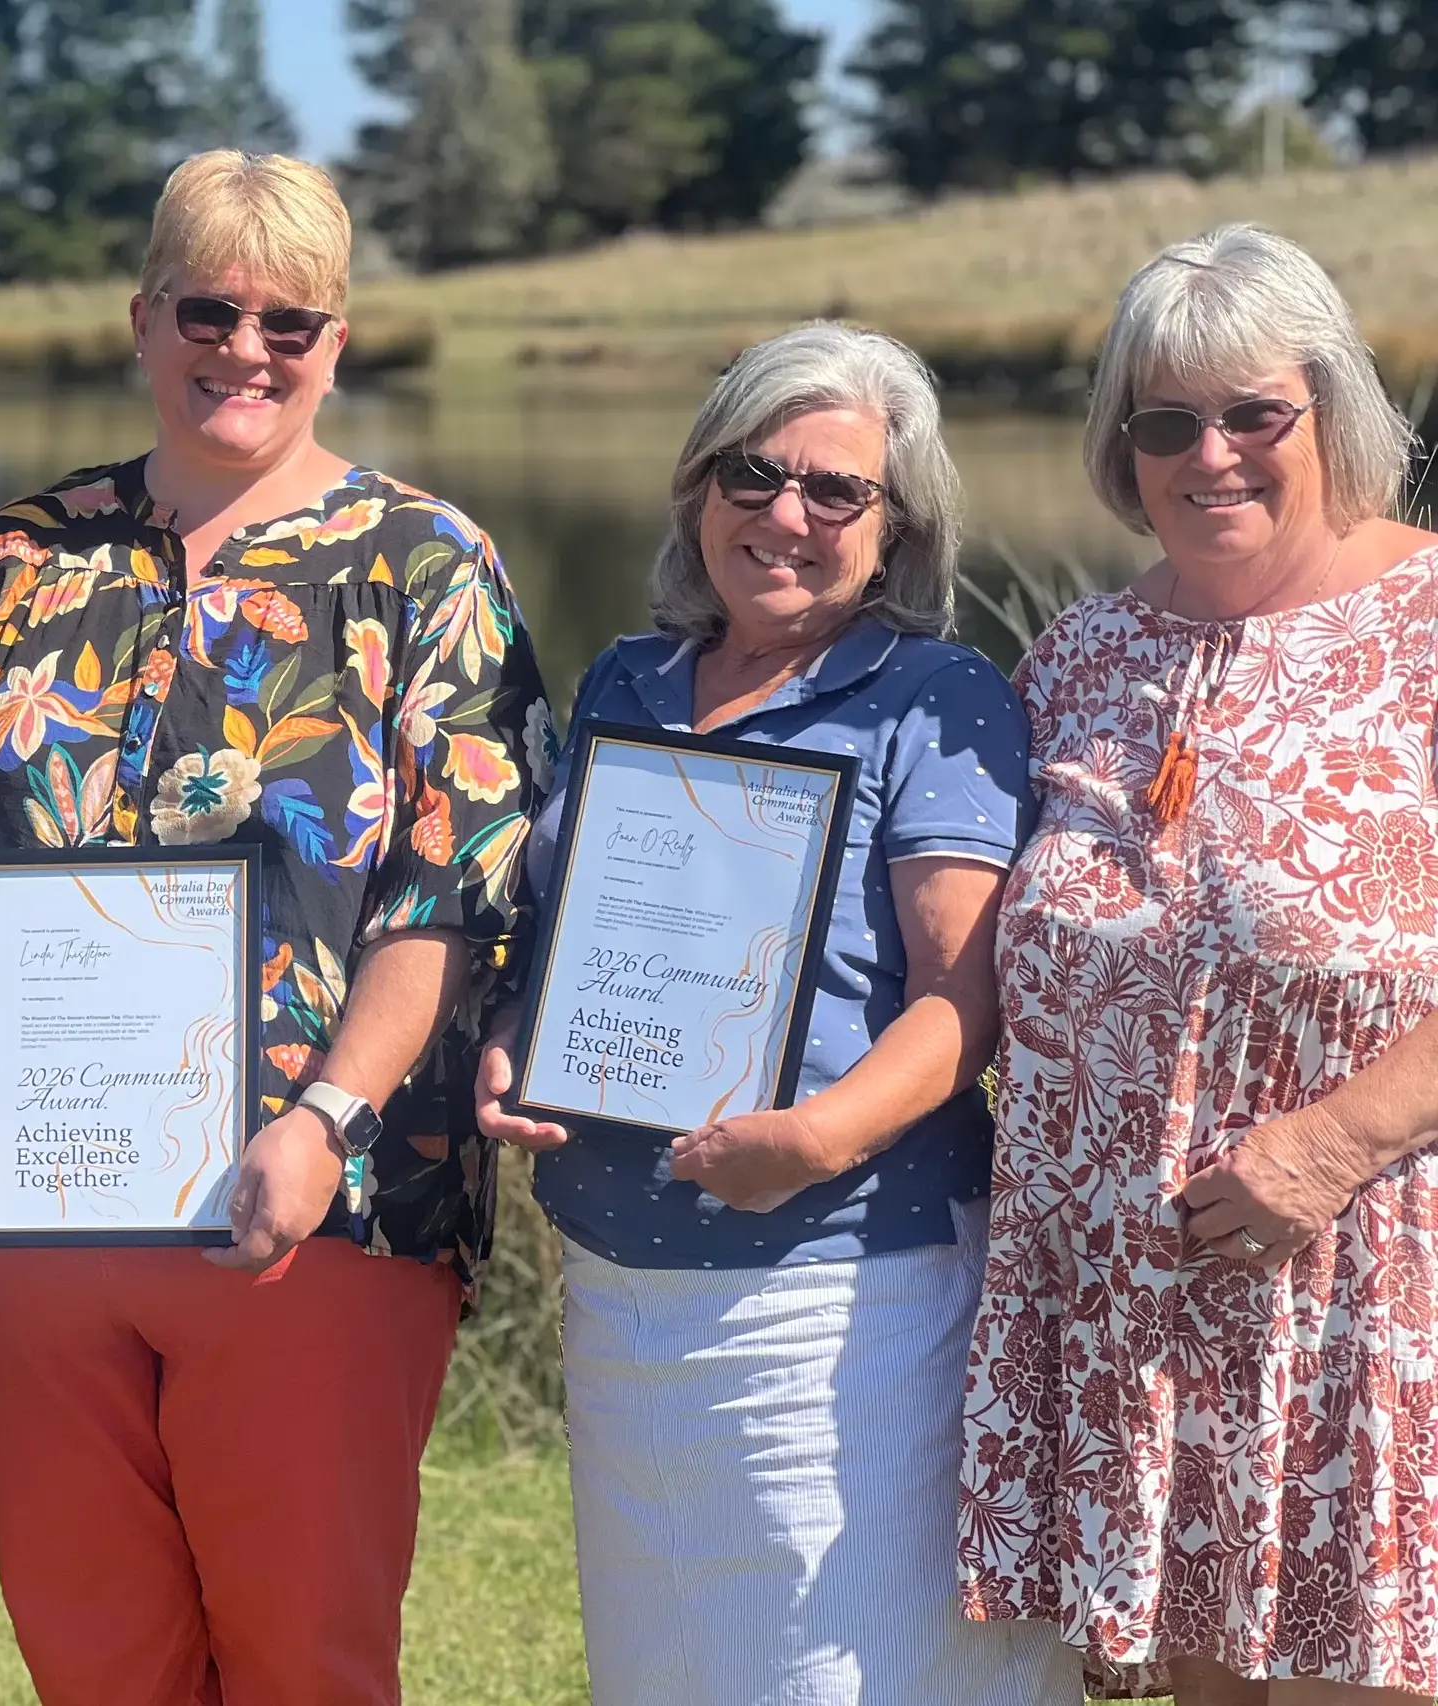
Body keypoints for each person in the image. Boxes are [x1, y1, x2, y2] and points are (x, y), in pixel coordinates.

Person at [0, 148, 550, 1706]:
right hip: (41, 1208)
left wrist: (328, 1115)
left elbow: (457, 885)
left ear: (337, 345)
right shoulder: (10, 558)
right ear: (143, 317)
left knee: (305, 1657)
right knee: (95, 1658)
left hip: (323, 1210)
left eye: (289, 323)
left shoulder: (427, 567)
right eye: (210, 307)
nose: (245, 348)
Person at [475, 322, 1078, 1705]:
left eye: (835, 491)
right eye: (752, 472)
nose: (784, 514)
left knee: (853, 1672)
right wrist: (516, 1030)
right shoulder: (630, 678)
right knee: (669, 1671)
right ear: (699, 486)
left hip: (844, 1288)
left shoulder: (935, 698)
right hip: (621, 1289)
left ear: (897, 525)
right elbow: (564, 939)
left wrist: (811, 1138)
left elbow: (961, 1002)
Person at [960, 226, 1438, 1704]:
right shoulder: (1080, 657)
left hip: (1365, 1290)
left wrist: (1334, 1141)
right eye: (1166, 422)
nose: (1209, 454)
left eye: (1254, 414)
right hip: (1136, 1318)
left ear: (1334, 408)